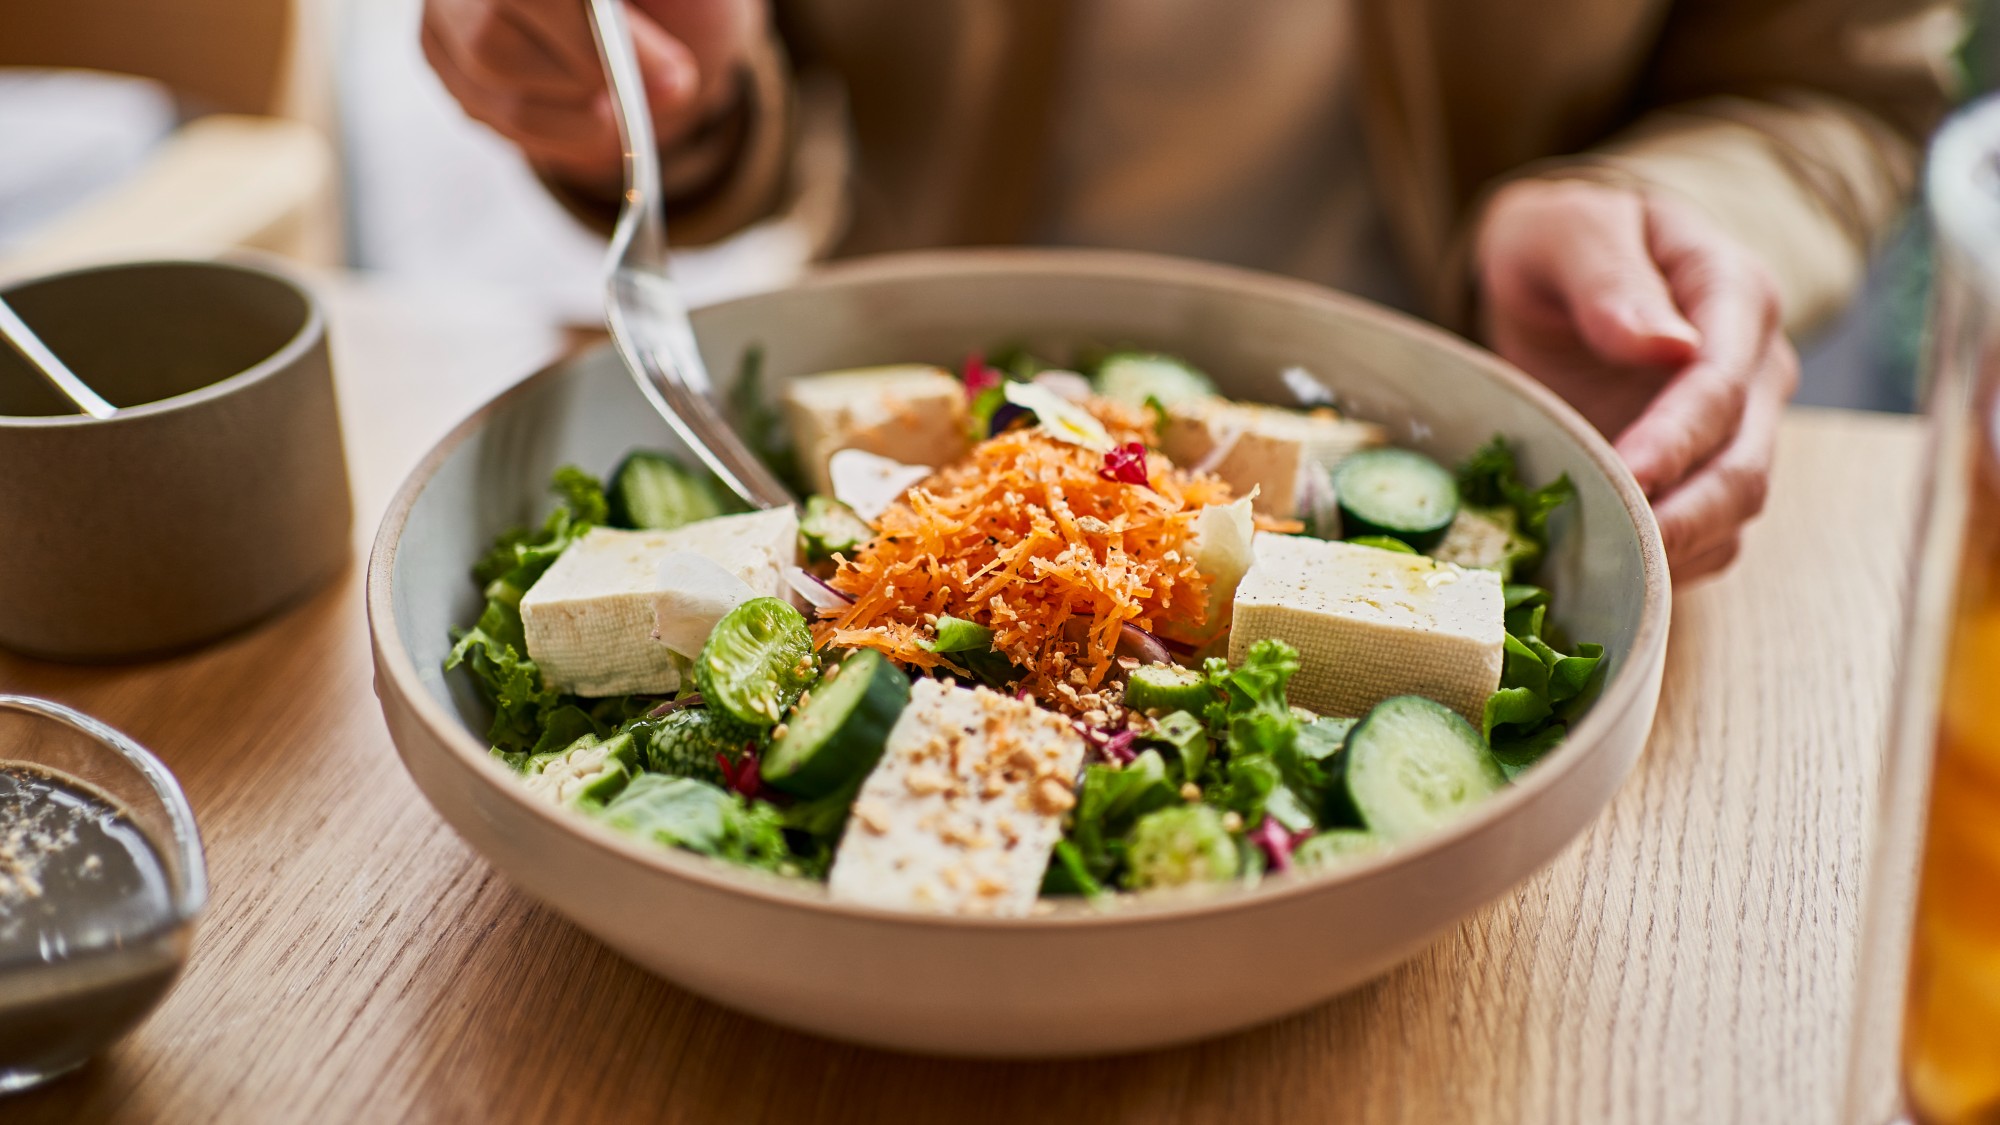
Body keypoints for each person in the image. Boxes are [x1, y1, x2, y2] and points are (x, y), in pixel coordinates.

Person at [421, 0, 1959, 581]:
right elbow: (751, 83)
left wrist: (1666, 213)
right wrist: (659, 88)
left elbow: (1831, 79)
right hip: (919, 375)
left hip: (1493, 392)